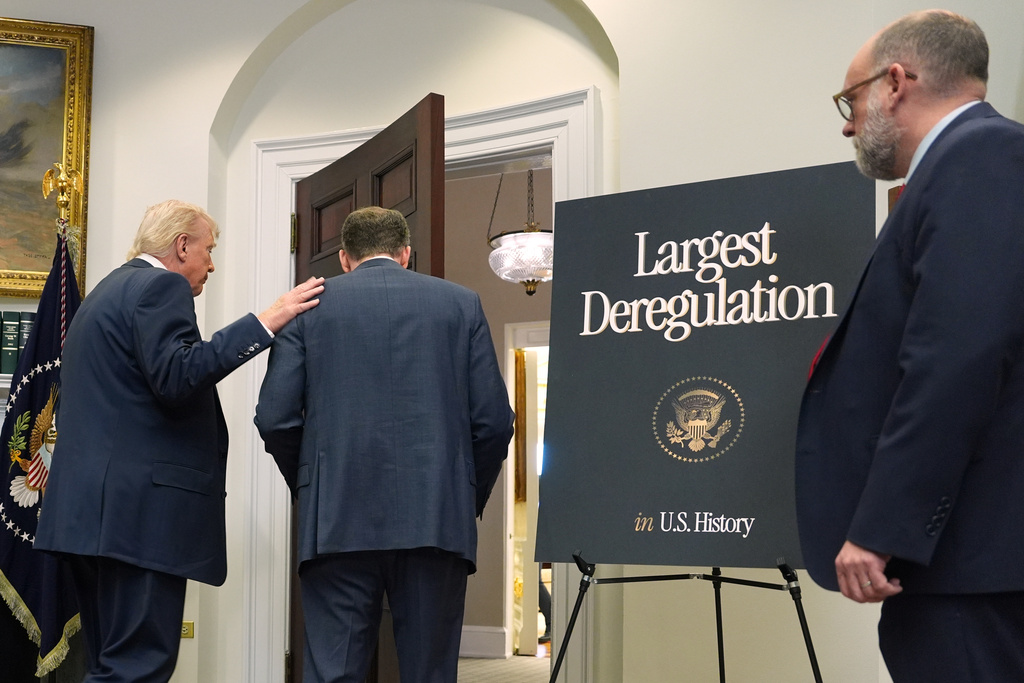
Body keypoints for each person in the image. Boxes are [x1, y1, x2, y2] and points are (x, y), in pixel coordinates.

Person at [795, 10, 1024, 681]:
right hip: (963, 567)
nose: (846, 122)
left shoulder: (980, 157)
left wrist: (883, 526)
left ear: (896, 82)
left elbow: (955, 360)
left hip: (971, 568)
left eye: (852, 99)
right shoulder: (969, 167)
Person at [34, 199, 324, 682]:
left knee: (110, 663)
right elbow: (177, 374)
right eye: (208, 250)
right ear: (181, 244)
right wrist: (265, 322)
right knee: (138, 666)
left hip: (91, 519)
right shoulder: (160, 285)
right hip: (137, 520)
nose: (211, 264)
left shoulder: (108, 291)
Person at [255, 206, 514, 683]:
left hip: (335, 520)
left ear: (344, 259)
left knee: (333, 675)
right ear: (407, 254)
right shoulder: (461, 304)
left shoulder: (305, 307)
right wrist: (461, 495)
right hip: (437, 519)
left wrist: (314, 486)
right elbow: (495, 423)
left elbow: (275, 419)